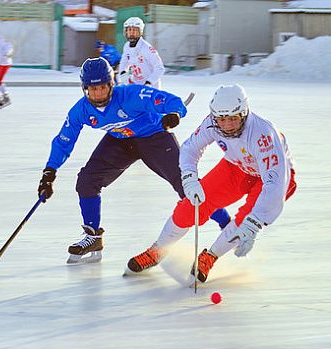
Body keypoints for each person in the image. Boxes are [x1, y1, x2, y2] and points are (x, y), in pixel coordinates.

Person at [36, 57, 230, 265]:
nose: (98, 94)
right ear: (84, 89)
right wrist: (50, 171)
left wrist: (174, 114)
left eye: (102, 87)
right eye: (92, 90)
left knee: (186, 185)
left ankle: (227, 224)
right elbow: (64, 140)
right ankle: (93, 236)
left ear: (111, 84)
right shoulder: (81, 110)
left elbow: (171, 101)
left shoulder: (132, 95)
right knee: (87, 181)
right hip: (120, 141)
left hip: (153, 137)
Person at [126, 84, 297, 283]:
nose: (227, 125)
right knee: (191, 207)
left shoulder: (263, 134)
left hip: (275, 177)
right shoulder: (211, 123)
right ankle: (157, 251)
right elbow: (190, 149)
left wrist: (254, 223)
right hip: (237, 167)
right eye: (221, 119)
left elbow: (274, 184)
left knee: (245, 221)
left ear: (244, 114)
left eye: (233, 118)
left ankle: (210, 256)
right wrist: (190, 179)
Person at [118, 17, 165, 89]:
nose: (131, 33)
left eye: (135, 30)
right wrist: (124, 76)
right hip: (136, 86)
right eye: (129, 30)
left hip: (150, 88)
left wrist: (149, 83)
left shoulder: (147, 49)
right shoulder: (126, 46)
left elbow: (159, 68)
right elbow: (123, 63)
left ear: (140, 32)